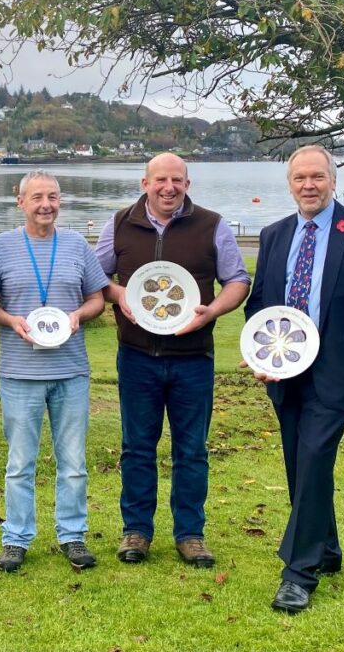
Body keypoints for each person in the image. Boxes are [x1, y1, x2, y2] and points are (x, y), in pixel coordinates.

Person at [244, 145, 344, 614]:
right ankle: (327, 548)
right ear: (289, 184)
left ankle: (299, 571)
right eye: (299, 178)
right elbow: (261, 304)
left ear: (332, 179)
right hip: (284, 372)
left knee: (313, 457)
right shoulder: (274, 235)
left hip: (338, 372)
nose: (308, 185)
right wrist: (261, 352)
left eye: (317, 176)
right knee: (300, 464)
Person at [97, 152, 250, 569]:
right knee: (137, 448)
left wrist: (213, 310)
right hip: (137, 357)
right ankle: (137, 531)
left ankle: (190, 534)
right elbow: (96, 278)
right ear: (144, 182)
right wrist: (120, 296)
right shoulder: (119, 224)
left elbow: (237, 280)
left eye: (177, 180)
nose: (169, 187)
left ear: (188, 183)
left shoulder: (212, 224)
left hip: (193, 358)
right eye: (160, 179)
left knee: (192, 450)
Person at [0, 170, 108, 572]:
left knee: (73, 461)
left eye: (52, 197)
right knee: (20, 462)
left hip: (71, 370)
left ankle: (72, 535)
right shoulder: (1, 247)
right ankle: (16, 538)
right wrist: (11, 321)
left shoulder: (76, 245)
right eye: (36, 197)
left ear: (60, 201)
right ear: (19, 202)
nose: (46, 205)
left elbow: (97, 300)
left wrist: (77, 316)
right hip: (19, 373)